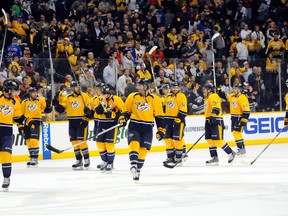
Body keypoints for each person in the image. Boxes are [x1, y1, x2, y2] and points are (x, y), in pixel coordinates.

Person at [118, 78, 165, 181]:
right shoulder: (132, 97)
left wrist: (161, 130)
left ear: (146, 87)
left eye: (140, 85)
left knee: (143, 149)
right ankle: (133, 165)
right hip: (135, 125)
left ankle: (138, 170)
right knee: (134, 144)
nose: (138, 87)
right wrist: (123, 119)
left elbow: (159, 116)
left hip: (148, 127)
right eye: (138, 85)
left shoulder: (155, 99)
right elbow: (126, 111)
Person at [52, 81, 92, 170]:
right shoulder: (68, 97)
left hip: (81, 121)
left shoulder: (84, 96)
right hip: (72, 121)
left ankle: (86, 159)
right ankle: (78, 160)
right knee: (74, 142)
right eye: (76, 87)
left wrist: (87, 117)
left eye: (78, 87)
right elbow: (61, 109)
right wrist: (56, 103)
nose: (78, 88)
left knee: (81, 141)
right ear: (73, 88)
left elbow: (89, 110)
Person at [0, 80, 26, 191]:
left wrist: (26, 122)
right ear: (8, 89)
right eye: (14, 90)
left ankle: (6, 177)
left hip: (7, 131)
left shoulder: (15, 101)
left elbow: (18, 117)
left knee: (6, 155)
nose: (16, 92)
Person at [92, 86, 124, 173]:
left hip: (112, 123)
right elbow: (98, 111)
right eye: (103, 94)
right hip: (101, 122)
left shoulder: (116, 99)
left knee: (109, 144)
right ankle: (104, 161)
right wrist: (102, 100)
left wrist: (118, 116)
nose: (105, 95)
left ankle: (110, 162)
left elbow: (122, 111)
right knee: (99, 143)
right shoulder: (97, 99)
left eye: (106, 94)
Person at [203, 83, 236, 166]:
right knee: (210, 140)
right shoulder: (207, 98)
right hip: (209, 120)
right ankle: (214, 157)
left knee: (218, 139)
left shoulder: (213, 96)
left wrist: (213, 116)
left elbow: (216, 107)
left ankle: (231, 152)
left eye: (206, 89)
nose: (204, 91)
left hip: (216, 120)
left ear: (209, 90)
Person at [20, 88, 52, 167]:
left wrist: (48, 104)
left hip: (36, 122)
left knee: (34, 140)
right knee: (28, 141)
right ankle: (31, 157)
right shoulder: (24, 102)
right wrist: (20, 126)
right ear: (30, 93)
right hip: (27, 122)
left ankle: (35, 158)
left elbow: (47, 109)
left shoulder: (40, 100)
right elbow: (20, 115)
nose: (35, 94)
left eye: (35, 92)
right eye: (33, 93)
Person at [162, 82, 187, 166]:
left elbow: (183, 108)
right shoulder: (168, 97)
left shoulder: (181, 96)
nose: (175, 89)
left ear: (179, 88)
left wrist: (179, 118)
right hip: (168, 121)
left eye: (176, 87)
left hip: (178, 121)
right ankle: (170, 157)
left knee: (177, 139)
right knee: (167, 139)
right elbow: (164, 108)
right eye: (173, 87)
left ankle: (179, 158)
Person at [222, 84, 250, 156]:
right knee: (235, 132)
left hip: (240, 117)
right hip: (234, 117)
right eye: (233, 88)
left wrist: (244, 120)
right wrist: (218, 91)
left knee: (236, 133)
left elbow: (246, 110)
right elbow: (225, 96)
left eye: (235, 89)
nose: (233, 90)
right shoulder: (232, 96)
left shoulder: (242, 97)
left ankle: (241, 149)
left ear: (239, 90)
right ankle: (241, 148)